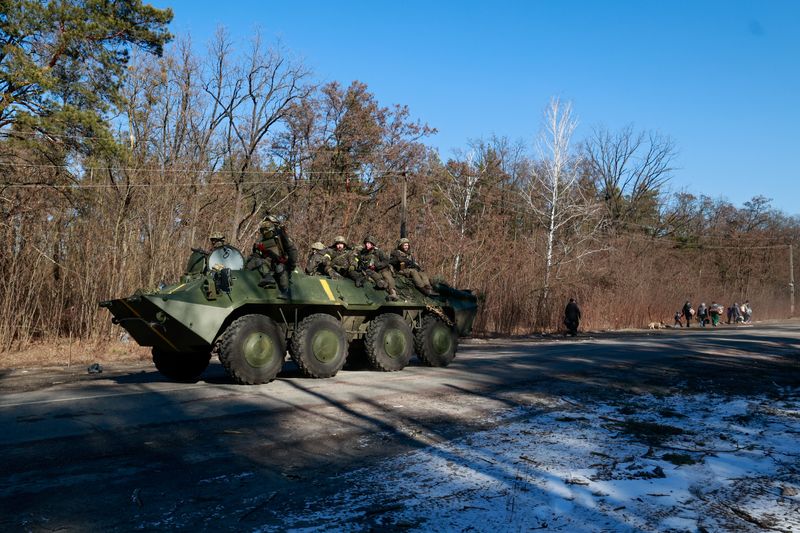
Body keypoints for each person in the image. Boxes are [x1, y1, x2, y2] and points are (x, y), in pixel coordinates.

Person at [245, 215, 298, 298]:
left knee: (280, 268)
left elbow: (292, 250)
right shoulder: (261, 239)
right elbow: (257, 253)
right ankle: (269, 279)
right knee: (258, 261)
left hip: (282, 262)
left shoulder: (281, 236)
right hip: (269, 262)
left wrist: (291, 264)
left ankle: (285, 291)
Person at [358, 235, 399, 301]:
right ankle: (380, 282)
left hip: (382, 269)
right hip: (371, 271)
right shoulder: (363, 252)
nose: (367, 245)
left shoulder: (378, 251)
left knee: (388, 278)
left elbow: (386, 261)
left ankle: (393, 293)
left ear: (372, 244)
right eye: (366, 243)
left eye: (369, 243)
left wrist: (377, 265)